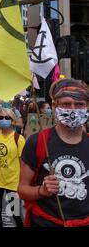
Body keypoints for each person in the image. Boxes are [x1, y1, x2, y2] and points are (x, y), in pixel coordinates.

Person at [18, 78, 89, 227]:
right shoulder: (37, 142)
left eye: (79, 104)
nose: (73, 109)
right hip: (44, 222)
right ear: (54, 106)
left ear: (87, 107)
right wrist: (41, 191)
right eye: (66, 104)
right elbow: (22, 189)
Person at [0, 108, 25, 227]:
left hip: (13, 182)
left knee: (15, 213)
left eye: (7, 118)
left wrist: (22, 185)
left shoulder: (19, 139)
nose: (3, 120)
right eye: (1, 118)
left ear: (12, 121)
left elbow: (23, 164)